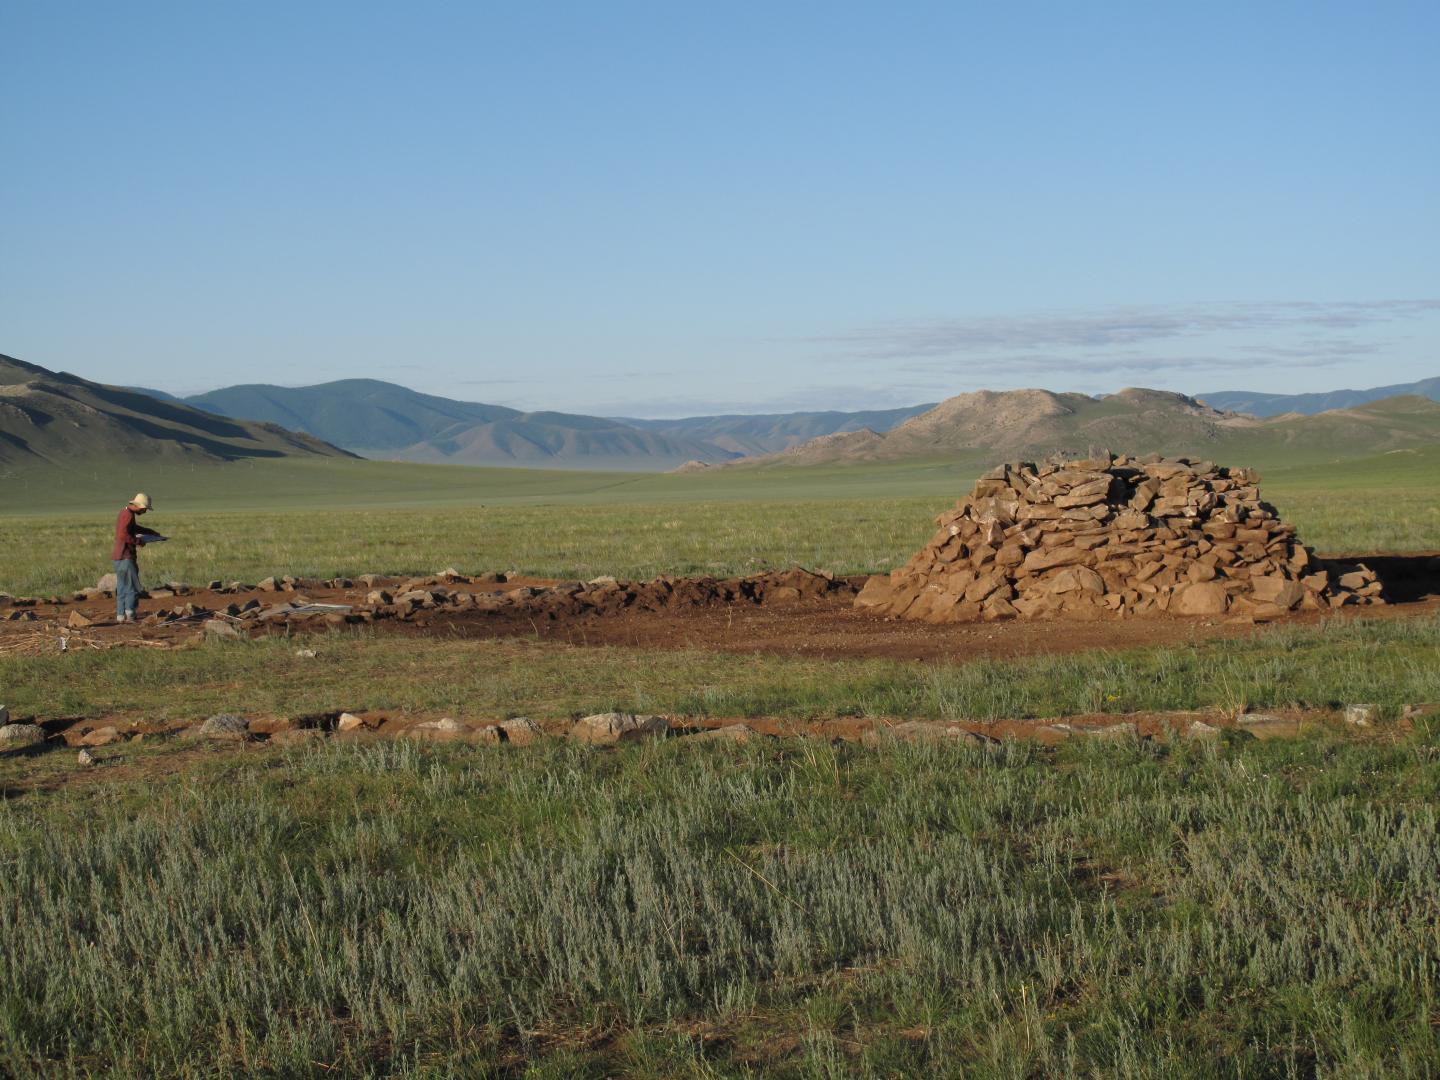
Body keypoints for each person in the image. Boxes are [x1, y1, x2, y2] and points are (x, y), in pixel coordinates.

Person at [111, 493, 162, 623]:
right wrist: (139, 542)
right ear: (139, 506)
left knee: (122, 587)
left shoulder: (126, 513)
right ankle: (130, 615)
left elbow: (133, 529)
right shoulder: (128, 515)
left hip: (118, 556)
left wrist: (150, 532)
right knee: (132, 587)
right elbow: (123, 535)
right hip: (126, 557)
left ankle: (120, 616)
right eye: (145, 509)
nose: (145, 511)